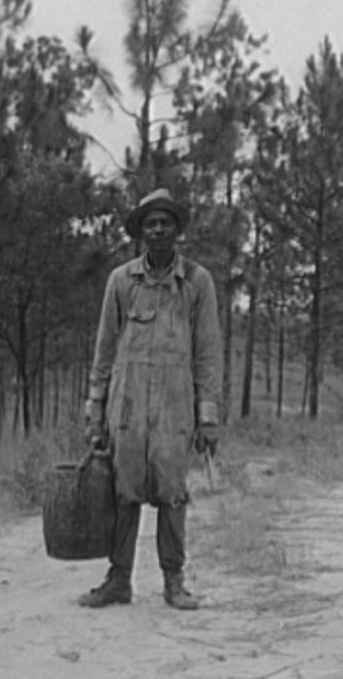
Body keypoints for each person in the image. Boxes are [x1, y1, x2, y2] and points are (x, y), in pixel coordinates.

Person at [78, 188, 222, 611]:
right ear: (140, 231)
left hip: (176, 403)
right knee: (123, 489)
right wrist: (95, 408)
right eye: (150, 223)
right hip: (127, 402)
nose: (158, 229)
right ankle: (118, 579)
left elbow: (208, 354)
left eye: (165, 222)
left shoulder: (197, 282)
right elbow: (104, 348)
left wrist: (207, 415)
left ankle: (174, 581)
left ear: (177, 230)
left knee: (171, 491)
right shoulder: (121, 281)